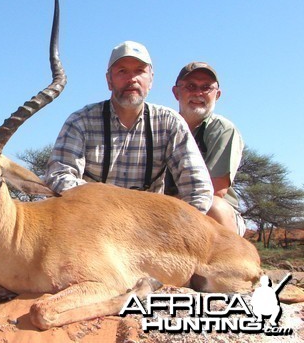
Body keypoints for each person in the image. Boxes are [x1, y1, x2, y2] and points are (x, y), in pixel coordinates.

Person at [45, 41, 213, 213]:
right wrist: (115, 205)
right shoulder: (80, 121)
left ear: (151, 79)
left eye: (140, 71)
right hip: (92, 220)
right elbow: (58, 177)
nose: (132, 79)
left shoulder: (170, 122)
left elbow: (198, 190)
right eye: (122, 71)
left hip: (148, 226)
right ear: (109, 80)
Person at [170, 61, 246, 235]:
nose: (198, 93)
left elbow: (215, 190)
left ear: (217, 95)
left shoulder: (223, 129)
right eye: (190, 86)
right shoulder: (161, 126)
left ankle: (232, 259)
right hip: (166, 208)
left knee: (214, 206)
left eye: (206, 87)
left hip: (209, 209)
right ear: (176, 92)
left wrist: (161, 205)